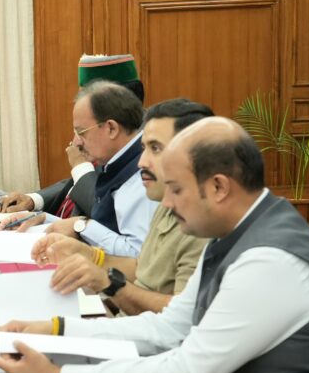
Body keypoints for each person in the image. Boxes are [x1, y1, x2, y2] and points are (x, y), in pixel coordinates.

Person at [0, 118, 309, 373]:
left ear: (218, 187)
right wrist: (54, 330)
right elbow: (167, 330)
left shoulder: (269, 260)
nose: (167, 203)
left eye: (176, 189)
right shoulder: (235, 232)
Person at [31, 99, 212, 316]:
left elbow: (181, 318)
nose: (141, 162)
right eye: (144, 148)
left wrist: (106, 282)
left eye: (155, 148)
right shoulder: (166, 205)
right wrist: (88, 255)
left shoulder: (204, 227)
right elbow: (142, 270)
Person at [0, 80, 157, 258]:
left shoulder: (142, 173)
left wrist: (82, 226)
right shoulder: (118, 162)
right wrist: (45, 219)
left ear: (111, 128)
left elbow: (138, 255)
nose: (76, 142)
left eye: (82, 132)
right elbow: (105, 229)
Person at [0, 54, 143, 218]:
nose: (75, 142)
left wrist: (80, 166)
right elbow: (76, 182)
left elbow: (106, 211)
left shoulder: (140, 147)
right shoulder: (103, 138)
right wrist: (34, 200)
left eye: (82, 132)